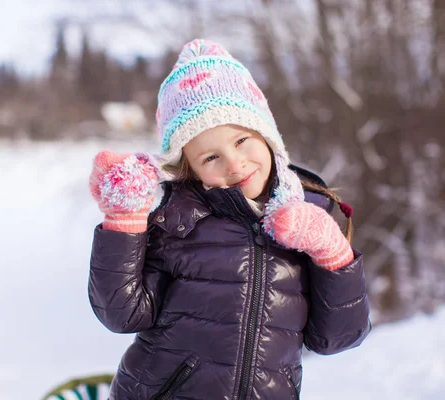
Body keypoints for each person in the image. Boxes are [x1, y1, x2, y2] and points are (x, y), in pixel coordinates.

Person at [87, 39, 371, 399]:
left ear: (267, 136)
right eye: (210, 157)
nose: (234, 164)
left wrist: (332, 253)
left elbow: (337, 338)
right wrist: (123, 219)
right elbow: (122, 314)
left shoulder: (308, 221)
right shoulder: (177, 221)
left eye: (241, 140)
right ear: (189, 168)